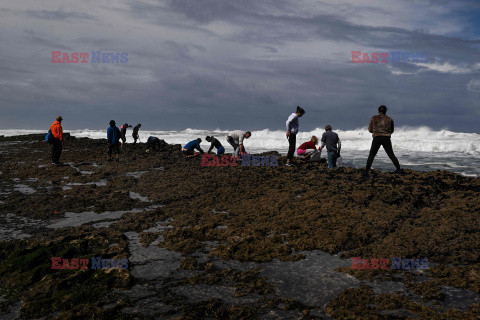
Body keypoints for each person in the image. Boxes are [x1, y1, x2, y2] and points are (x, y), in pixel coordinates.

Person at [365, 105, 402, 176]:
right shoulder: (389, 119)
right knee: (391, 154)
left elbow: (370, 130)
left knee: (372, 155)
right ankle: (399, 169)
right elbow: (392, 130)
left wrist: (376, 131)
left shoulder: (374, 118)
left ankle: (366, 171)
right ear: (385, 111)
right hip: (386, 138)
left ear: (378, 111)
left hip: (377, 138)